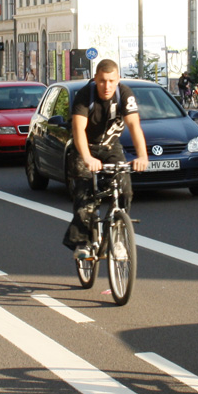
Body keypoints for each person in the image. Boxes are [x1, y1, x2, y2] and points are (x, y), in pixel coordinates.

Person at [63, 59, 149, 260]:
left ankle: (118, 237)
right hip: (84, 147)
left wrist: (142, 156)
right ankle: (83, 243)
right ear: (96, 79)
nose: (107, 86)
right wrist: (87, 158)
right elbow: (78, 129)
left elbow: (134, 126)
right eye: (102, 81)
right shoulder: (85, 95)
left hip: (111, 147)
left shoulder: (124, 94)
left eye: (111, 81)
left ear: (118, 79)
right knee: (86, 197)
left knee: (125, 189)